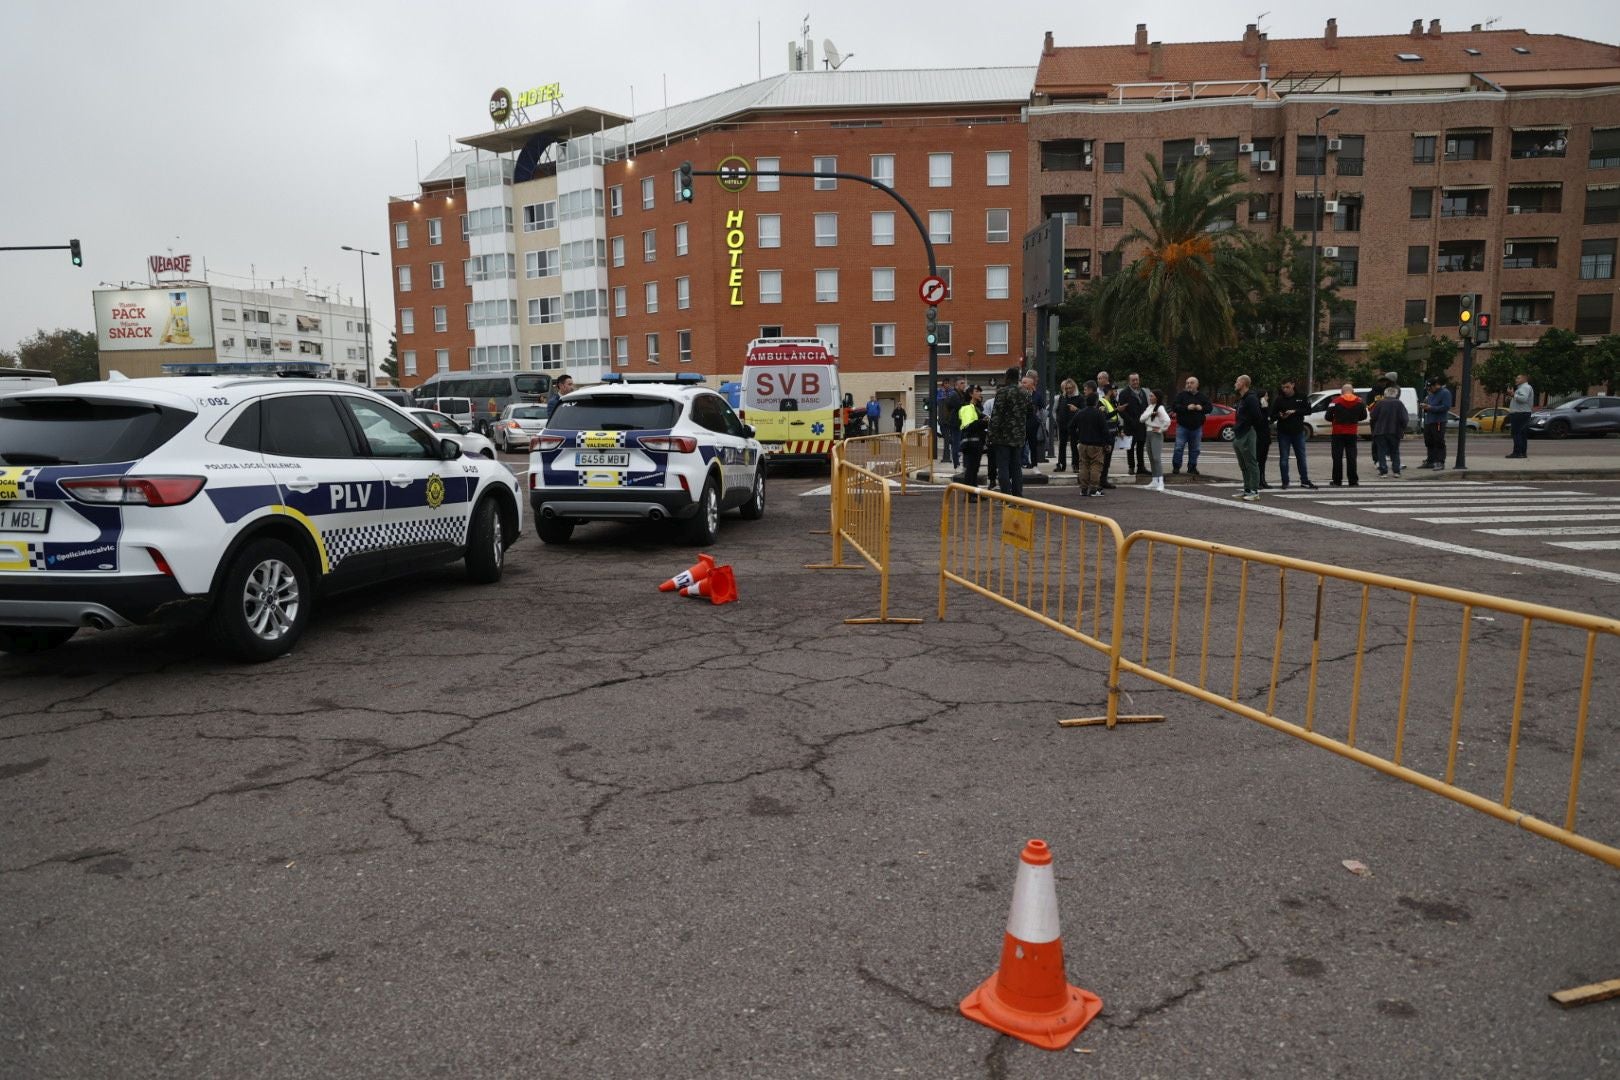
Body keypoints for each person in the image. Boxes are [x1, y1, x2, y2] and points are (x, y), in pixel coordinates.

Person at [987, 367, 1031, 498]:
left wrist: (990, 434)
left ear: (1007, 377)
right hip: (1018, 436)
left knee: (1003, 467)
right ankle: (1018, 495)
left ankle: (1006, 496)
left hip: (1002, 436)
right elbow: (1030, 412)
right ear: (1018, 377)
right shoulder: (1024, 393)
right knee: (1016, 467)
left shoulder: (1002, 392)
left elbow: (996, 415)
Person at [1270, 379, 1317, 489]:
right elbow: (1272, 415)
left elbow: (1308, 410)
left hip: (1298, 432)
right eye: (1283, 387)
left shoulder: (1301, 396)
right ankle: (1285, 482)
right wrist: (1280, 416)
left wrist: (1295, 411)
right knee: (1284, 458)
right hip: (1283, 432)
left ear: (1293, 385)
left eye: (1287, 387)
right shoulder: (1279, 399)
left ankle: (1304, 480)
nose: (1285, 390)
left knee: (1301, 457)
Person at [1322, 382, 1368, 486]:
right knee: (1351, 457)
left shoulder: (1335, 401)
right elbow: (1364, 416)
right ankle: (1353, 481)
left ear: (1342, 392)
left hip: (1338, 432)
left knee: (1337, 457)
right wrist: (1355, 419)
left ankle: (1337, 481)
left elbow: (1327, 417)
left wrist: (1335, 419)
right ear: (1353, 391)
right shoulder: (1360, 401)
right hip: (1352, 432)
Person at [1073, 382, 1112, 497]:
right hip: (1096, 444)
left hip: (1083, 443)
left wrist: (1077, 436)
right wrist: (1108, 443)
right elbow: (1105, 430)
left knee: (1083, 466)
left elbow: (1071, 426)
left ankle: (1083, 489)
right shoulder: (1099, 414)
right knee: (1096, 466)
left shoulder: (1081, 413)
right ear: (1096, 402)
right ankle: (1094, 489)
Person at [1231, 374, 1266, 501]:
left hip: (1247, 432)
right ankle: (1247, 489)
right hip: (1239, 433)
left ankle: (1254, 491)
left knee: (1251, 462)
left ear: (1243, 383)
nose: (1235, 383)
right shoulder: (1242, 399)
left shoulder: (1251, 398)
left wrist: (1248, 426)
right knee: (1243, 464)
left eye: (1237, 381)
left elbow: (1257, 416)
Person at [1171, 376, 1212, 475]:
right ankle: (1176, 467)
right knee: (1179, 447)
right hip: (1183, 426)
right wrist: (1186, 408)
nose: (1189, 385)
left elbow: (1209, 408)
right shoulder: (1181, 395)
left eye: (1191, 383)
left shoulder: (1202, 396)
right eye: (1187, 383)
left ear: (1197, 385)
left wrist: (1201, 408)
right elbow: (1175, 407)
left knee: (1195, 449)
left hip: (1197, 427)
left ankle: (1192, 467)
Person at [1115, 373, 1150, 477]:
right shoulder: (1124, 393)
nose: (1135, 382)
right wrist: (1130, 420)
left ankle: (1141, 467)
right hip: (1130, 425)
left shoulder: (1143, 392)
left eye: (1137, 380)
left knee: (1140, 447)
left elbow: (1146, 406)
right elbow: (1121, 410)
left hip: (1141, 425)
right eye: (1133, 380)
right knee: (1130, 447)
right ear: (1129, 381)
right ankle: (1131, 467)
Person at [1372, 386, 1410, 477]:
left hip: (1380, 431)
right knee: (1395, 451)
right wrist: (1402, 428)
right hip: (1395, 431)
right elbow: (1404, 418)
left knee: (1381, 451)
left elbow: (1373, 416)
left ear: (1385, 394)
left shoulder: (1380, 403)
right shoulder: (1399, 403)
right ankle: (1396, 471)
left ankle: (1383, 471)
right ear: (1396, 394)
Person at [957, 386, 987, 498]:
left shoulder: (977, 408)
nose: (980, 393)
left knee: (974, 468)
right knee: (971, 469)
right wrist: (984, 422)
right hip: (970, 443)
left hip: (976, 442)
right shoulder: (967, 407)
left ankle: (974, 492)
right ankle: (969, 495)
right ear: (970, 394)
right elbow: (969, 426)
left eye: (980, 391)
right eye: (977, 391)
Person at [1142, 388, 1171, 492]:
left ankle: (1161, 482)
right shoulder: (1150, 407)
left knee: (1156, 458)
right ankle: (1154, 480)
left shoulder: (1160, 408)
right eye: (1149, 396)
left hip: (1156, 434)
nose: (1150, 398)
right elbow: (1141, 419)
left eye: (1152, 396)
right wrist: (1150, 414)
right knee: (1151, 458)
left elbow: (1167, 420)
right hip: (1148, 433)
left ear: (1157, 397)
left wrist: (1161, 429)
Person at [1422, 375, 1452, 469]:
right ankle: (1430, 460)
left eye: (1430, 388)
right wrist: (1425, 406)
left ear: (1435, 385)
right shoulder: (1431, 394)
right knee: (1428, 441)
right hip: (1429, 420)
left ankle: (1440, 462)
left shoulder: (1445, 393)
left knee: (1438, 441)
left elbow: (1446, 407)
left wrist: (1431, 408)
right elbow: (1430, 405)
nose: (1429, 390)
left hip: (1438, 421)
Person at [1096, 383, 1121, 488]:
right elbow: (1104, 417)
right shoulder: (1101, 402)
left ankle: (1103, 480)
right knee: (1102, 459)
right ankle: (1099, 481)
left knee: (1107, 460)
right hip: (1105, 436)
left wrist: (1120, 429)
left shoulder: (1113, 402)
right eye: (1114, 391)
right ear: (1110, 391)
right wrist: (1116, 410)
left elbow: (1115, 419)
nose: (1116, 393)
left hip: (1112, 434)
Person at [1054, 378, 1082, 472]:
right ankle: (1061, 464)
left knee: (1074, 446)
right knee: (1062, 445)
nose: (1069, 390)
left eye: (1070, 388)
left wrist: (1076, 409)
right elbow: (1058, 410)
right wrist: (1058, 420)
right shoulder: (1062, 397)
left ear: (1074, 387)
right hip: (1063, 425)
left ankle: (1075, 465)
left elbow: (1084, 411)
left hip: (1074, 425)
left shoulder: (1079, 397)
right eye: (1067, 388)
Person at [1507, 372, 1534, 458]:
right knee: (1522, 434)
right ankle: (1522, 453)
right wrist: (1513, 396)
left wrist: (1512, 394)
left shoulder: (1524, 387)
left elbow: (1523, 399)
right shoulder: (1525, 387)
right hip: (1523, 413)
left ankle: (1517, 453)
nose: (1516, 379)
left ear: (1524, 379)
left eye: (1518, 378)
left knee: (1517, 433)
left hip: (1519, 414)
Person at [940, 378, 965, 465]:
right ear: (956, 385)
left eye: (964, 383)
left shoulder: (960, 394)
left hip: (959, 422)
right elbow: (959, 407)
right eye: (962, 383)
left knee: (957, 442)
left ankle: (956, 460)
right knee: (956, 443)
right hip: (955, 423)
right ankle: (956, 462)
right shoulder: (954, 395)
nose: (964, 385)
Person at [1253, 386, 1273, 488]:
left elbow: (1269, 420)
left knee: (1263, 460)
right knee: (1257, 459)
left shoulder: (1266, 408)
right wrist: (1263, 408)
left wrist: (1266, 408)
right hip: (1258, 437)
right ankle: (1256, 480)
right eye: (1266, 396)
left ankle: (1262, 480)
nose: (1267, 398)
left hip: (1265, 437)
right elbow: (1260, 421)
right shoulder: (1258, 408)